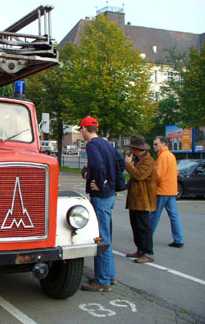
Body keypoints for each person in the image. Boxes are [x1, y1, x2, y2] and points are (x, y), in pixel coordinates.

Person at [79, 116, 118, 292]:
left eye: (80, 129)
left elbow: (98, 165)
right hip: (110, 195)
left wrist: (100, 183)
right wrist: (109, 183)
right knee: (107, 236)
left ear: (84, 129)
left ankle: (102, 281)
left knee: (100, 237)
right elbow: (121, 164)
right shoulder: (106, 144)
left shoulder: (92, 145)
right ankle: (109, 275)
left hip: (101, 196)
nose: (80, 133)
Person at [124, 135, 157, 263]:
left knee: (143, 227)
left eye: (131, 147)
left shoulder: (148, 161)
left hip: (144, 200)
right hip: (136, 200)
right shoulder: (139, 159)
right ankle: (140, 250)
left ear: (135, 148)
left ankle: (148, 253)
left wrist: (128, 164)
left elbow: (139, 175)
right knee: (136, 226)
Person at [150, 136, 184, 248]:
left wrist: (152, 182)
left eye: (156, 144)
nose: (154, 146)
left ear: (163, 144)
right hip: (171, 189)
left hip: (161, 190)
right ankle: (179, 239)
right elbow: (175, 172)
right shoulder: (171, 155)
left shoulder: (162, 156)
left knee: (154, 215)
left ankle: (147, 237)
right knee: (174, 215)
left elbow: (158, 175)